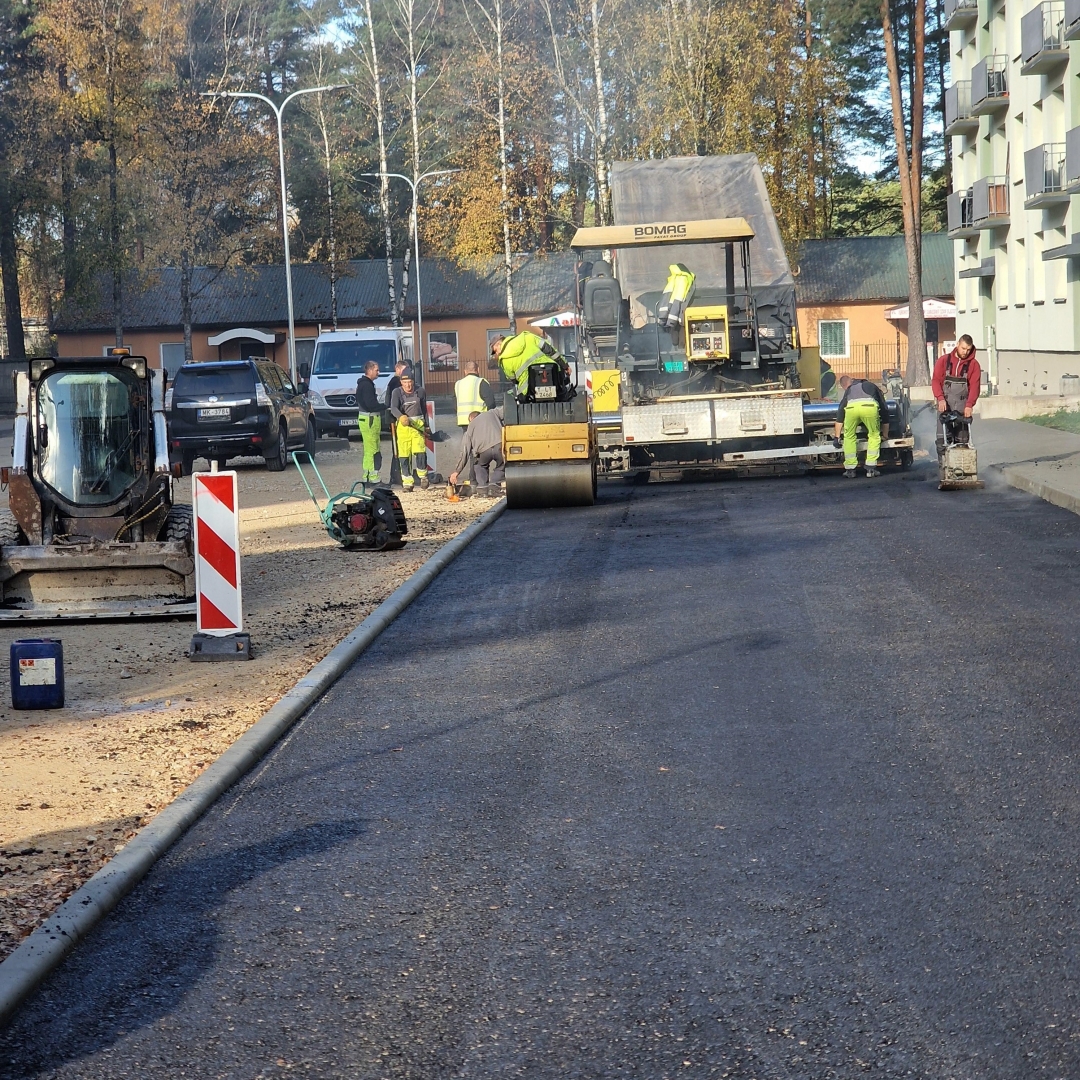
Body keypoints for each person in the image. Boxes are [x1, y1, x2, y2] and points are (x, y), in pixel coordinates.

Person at [834, 374, 890, 478]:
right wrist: (885, 435)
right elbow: (884, 409)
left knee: (849, 436)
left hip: (851, 410)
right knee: (874, 435)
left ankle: (850, 470)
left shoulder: (849, 389)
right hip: (869, 408)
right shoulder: (872, 386)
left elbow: (840, 412)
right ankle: (870, 469)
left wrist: (836, 437)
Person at [491, 331, 571, 400]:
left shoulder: (504, 360)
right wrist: (565, 366)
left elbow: (513, 380)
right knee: (563, 391)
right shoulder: (527, 337)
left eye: (495, 351)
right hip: (554, 380)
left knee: (516, 397)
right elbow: (550, 350)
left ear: (499, 344)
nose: (496, 354)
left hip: (528, 391)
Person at [932, 334, 981, 446]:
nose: (965, 352)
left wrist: (969, 405)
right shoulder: (943, 361)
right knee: (942, 441)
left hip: (963, 407)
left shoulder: (974, 365)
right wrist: (940, 398)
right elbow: (936, 381)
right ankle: (943, 457)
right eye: (963, 348)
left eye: (968, 350)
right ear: (957, 344)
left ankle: (961, 456)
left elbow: (975, 387)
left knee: (962, 442)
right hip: (945, 405)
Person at [450, 407, 505, 497]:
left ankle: (483, 489)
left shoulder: (470, 427)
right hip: (500, 446)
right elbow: (507, 409)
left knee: (479, 465)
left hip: (483, 451)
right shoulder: (492, 413)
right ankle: (494, 485)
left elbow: (465, 451)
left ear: (471, 419)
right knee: (503, 464)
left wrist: (457, 471)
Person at [389, 369, 429, 490]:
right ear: (401, 382)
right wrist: (400, 416)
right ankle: (407, 482)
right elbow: (393, 408)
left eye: (410, 382)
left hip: (418, 427)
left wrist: (427, 426)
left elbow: (424, 409)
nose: (408, 385)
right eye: (405, 382)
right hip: (403, 428)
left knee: (420, 452)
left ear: (413, 381)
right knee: (404, 455)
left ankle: (423, 477)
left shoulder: (420, 391)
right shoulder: (397, 392)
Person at [355, 359, 382, 483]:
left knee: (368, 450)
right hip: (370, 419)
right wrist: (383, 406)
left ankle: (366, 476)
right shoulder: (367, 385)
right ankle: (373, 478)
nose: (378, 372)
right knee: (373, 450)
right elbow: (371, 404)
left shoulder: (363, 384)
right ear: (369, 370)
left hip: (365, 418)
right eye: (376, 370)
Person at [454, 359, 495, 429]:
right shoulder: (481, 382)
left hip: (463, 421)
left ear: (465, 371)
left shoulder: (458, 384)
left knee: (467, 436)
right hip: (480, 420)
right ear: (478, 370)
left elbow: (454, 403)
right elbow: (491, 402)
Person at [657, 263, 696, 328]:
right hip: (678, 313)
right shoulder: (683, 278)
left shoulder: (680, 279)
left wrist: (669, 321)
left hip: (673, 315)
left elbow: (677, 297)